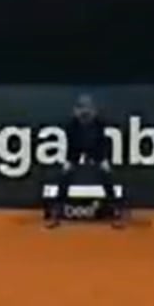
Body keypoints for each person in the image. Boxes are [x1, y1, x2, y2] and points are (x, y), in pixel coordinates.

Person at [47, 93, 121, 227]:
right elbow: (70, 145)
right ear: (76, 111)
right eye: (81, 108)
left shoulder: (99, 124)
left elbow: (102, 143)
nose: (85, 112)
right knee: (65, 176)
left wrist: (103, 160)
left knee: (106, 175)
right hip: (76, 150)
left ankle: (115, 211)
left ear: (93, 110)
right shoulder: (71, 126)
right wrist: (69, 162)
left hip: (96, 150)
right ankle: (56, 212)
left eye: (88, 108)